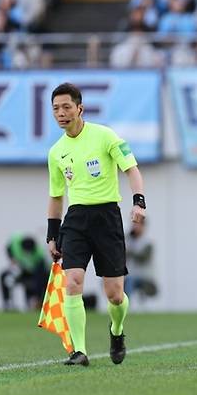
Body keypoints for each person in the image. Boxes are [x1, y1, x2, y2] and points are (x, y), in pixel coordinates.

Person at [46, 83, 146, 366]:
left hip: (107, 218)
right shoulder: (56, 152)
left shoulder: (105, 136)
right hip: (76, 219)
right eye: (56, 109)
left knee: (114, 295)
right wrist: (52, 233)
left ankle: (117, 331)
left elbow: (132, 169)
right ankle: (79, 351)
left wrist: (139, 201)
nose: (61, 113)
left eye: (66, 107)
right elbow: (55, 196)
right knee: (73, 282)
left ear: (80, 108)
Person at [0, 234, 48, 310]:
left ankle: (36, 302)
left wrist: (38, 295)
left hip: (32, 273)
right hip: (20, 269)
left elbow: (40, 275)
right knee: (4, 276)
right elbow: (8, 249)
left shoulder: (39, 255)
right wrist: (12, 259)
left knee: (36, 283)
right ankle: (7, 302)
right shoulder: (15, 242)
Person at [125, 219, 157, 303]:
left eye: (138, 225)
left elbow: (143, 258)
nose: (135, 227)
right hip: (130, 275)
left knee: (130, 281)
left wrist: (130, 251)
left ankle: (129, 303)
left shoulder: (148, 242)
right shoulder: (128, 239)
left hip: (145, 276)